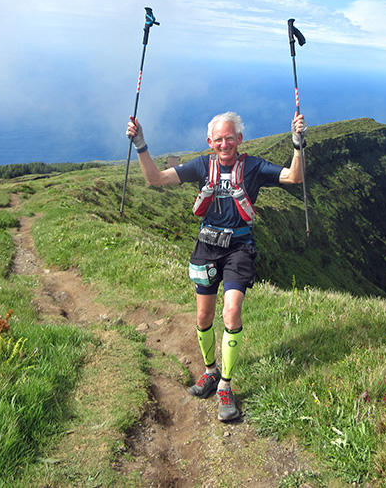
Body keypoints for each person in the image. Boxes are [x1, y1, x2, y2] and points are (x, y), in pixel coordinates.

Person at [126, 110, 306, 422]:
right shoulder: (201, 165)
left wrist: (297, 144)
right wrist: (141, 144)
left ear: (239, 140)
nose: (224, 144)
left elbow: (294, 177)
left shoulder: (252, 166)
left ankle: (225, 385)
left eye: (230, 138)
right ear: (210, 142)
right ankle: (210, 371)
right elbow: (155, 179)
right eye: (218, 139)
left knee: (231, 312)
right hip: (207, 246)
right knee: (203, 315)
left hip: (239, 246)